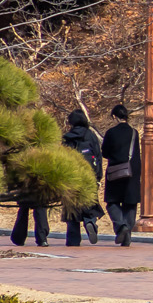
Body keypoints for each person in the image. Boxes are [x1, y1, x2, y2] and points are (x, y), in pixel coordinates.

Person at [60, 109, 103, 246]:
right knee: (89, 202)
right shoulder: (90, 135)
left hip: (72, 176)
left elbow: (62, 159)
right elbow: (98, 156)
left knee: (71, 209)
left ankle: (73, 239)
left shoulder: (67, 137)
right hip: (89, 174)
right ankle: (90, 222)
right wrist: (98, 176)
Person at [101, 104, 140, 248]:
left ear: (114, 116)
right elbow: (136, 154)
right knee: (130, 203)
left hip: (115, 172)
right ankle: (127, 234)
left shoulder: (111, 133)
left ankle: (121, 226)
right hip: (132, 172)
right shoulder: (134, 133)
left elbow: (104, 152)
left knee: (112, 202)